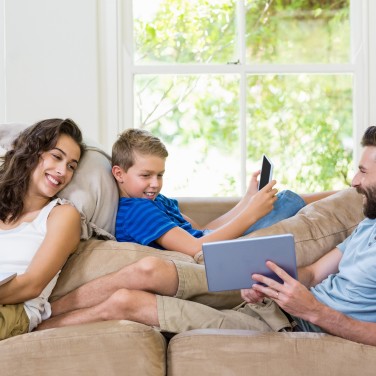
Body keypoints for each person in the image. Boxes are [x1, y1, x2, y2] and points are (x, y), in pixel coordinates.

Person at [37, 125, 376, 346]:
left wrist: (314, 310)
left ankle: (32, 323)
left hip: (297, 327)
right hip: (277, 307)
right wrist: (272, 282)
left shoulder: (152, 203)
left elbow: (200, 239)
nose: (353, 180)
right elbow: (315, 272)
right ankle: (36, 316)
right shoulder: (367, 224)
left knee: (129, 298)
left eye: (362, 171)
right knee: (141, 280)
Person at [111, 129, 335, 256]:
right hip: (211, 257)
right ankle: (346, 194)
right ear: (119, 173)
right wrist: (252, 214)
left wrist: (247, 201)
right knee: (284, 202)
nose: (155, 183)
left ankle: (346, 194)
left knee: (282, 203)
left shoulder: (155, 201)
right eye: (146, 175)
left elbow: (203, 231)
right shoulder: (136, 211)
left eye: (160, 175)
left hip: (214, 246)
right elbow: (194, 247)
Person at [0, 118, 85, 341]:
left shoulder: (62, 215)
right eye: (57, 157)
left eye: (71, 167)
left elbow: (32, 285)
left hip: (16, 311)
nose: (62, 171)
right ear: (32, 152)